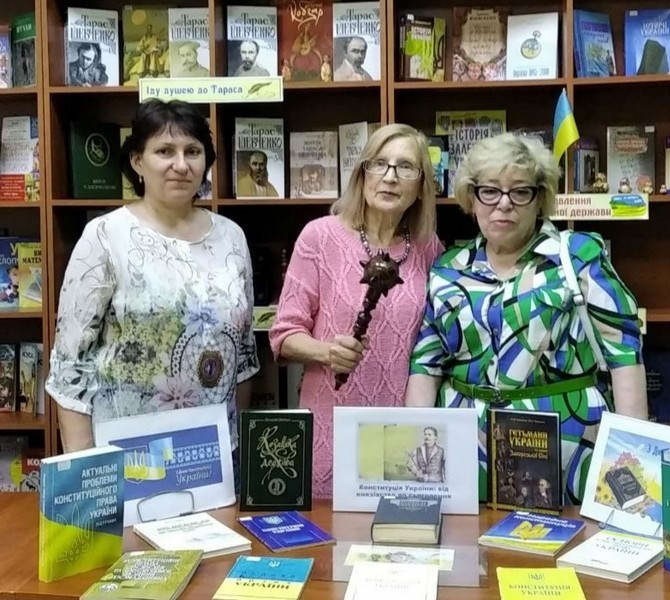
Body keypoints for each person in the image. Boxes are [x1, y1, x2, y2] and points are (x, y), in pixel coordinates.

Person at [406, 133, 647, 504]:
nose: (504, 204)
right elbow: (426, 364)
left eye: (520, 192)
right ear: (471, 197)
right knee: (471, 540)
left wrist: (632, 453)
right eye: (490, 191)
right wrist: (415, 451)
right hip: (467, 447)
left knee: (568, 539)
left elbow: (624, 352)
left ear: (539, 199)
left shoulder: (578, 255)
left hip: (567, 440)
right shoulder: (448, 268)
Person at [45, 99, 259, 453]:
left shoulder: (231, 237)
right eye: (165, 151)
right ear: (137, 161)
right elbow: (71, 364)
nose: (181, 165)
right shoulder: (105, 236)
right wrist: (86, 466)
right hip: (127, 456)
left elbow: (244, 358)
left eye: (193, 151)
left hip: (211, 454)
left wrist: (236, 448)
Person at [269, 123, 442, 497]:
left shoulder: (429, 248)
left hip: (401, 432)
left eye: (405, 167)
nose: (390, 177)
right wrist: (327, 352)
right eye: (379, 164)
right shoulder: (320, 237)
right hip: (332, 424)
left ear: (421, 186)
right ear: (362, 175)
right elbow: (283, 336)